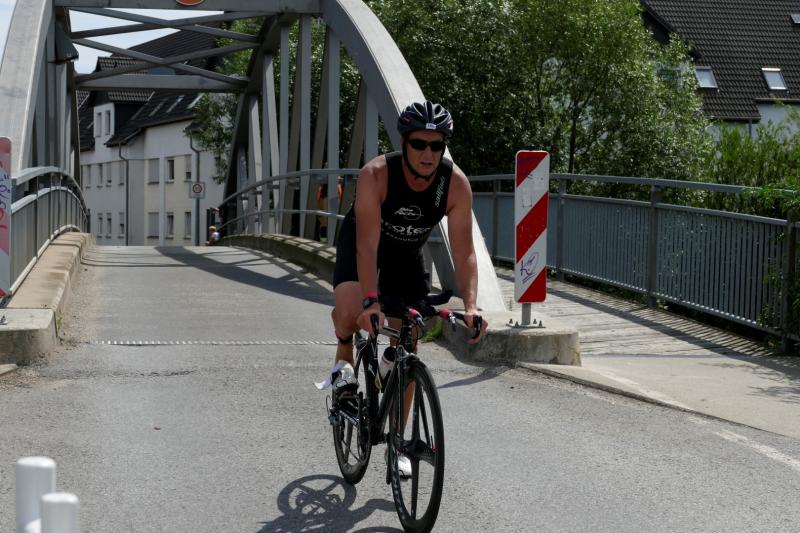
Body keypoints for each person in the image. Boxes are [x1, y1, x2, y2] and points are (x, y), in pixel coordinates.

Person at [330, 100, 488, 384]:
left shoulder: (454, 185)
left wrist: (472, 305)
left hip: (406, 252)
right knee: (351, 314)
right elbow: (367, 246)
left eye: (436, 146)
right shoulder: (376, 175)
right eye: (419, 144)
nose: (428, 154)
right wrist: (371, 302)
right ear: (403, 143)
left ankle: (394, 400)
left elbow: (464, 252)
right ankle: (344, 344)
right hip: (362, 244)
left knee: (409, 338)